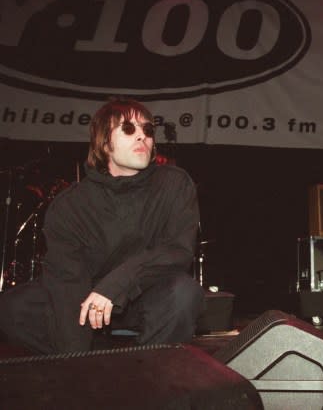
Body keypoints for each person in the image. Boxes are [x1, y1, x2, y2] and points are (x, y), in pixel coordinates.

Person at [0, 97, 205, 354]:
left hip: (146, 297)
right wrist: (78, 361)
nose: (142, 136)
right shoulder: (71, 205)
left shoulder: (174, 183)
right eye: (129, 129)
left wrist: (114, 287)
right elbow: (67, 285)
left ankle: (150, 371)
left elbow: (177, 250)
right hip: (86, 304)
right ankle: (95, 360)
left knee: (184, 293)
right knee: (14, 307)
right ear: (104, 142)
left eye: (148, 130)